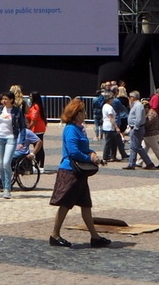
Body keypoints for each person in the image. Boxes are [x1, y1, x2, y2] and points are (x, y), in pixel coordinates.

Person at [48, 98, 110, 249]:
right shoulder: (70, 129)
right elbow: (73, 152)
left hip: (79, 173)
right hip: (70, 171)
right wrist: (89, 158)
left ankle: (95, 237)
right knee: (65, 204)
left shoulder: (78, 129)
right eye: (83, 112)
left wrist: (92, 153)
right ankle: (55, 235)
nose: (85, 114)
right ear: (77, 114)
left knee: (85, 204)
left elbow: (83, 148)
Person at [0, 91, 26, 198]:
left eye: (6, 99)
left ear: (11, 100)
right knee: (0, 164)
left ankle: (8, 188)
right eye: (3, 99)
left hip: (11, 138)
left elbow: (22, 127)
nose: (3, 101)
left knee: (6, 162)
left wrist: (21, 141)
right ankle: (4, 188)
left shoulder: (17, 111)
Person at [123, 91, 155, 171]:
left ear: (133, 97)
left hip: (137, 128)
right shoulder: (135, 105)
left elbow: (139, 118)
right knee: (133, 147)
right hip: (134, 128)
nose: (129, 98)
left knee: (137, 147)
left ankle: (149, 163)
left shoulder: (138, 106)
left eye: (130, 97)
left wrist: (136, 127)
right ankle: (131, 164)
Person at [101, 90, 125, 164]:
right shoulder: (109, 107)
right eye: (112, 98)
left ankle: (113, 156)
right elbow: (111, 118)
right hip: (109, 127)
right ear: (109, 99)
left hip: (106, 126)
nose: (113, 100)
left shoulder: (104, 106)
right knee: (108, 142)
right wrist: (116, 127)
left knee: (113, 142)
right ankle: (105, 156)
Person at [26, 91, 48, 172]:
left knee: (39, 148)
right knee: (38, 147)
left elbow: (34, 119)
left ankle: (40, 165)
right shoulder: (34, 106)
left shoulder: (35, 107)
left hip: (37, 129)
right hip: (38, 129)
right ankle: (38, 164)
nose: (30, 98)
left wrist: (28, 127)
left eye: (31, 96)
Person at [142, 100, 159, 167]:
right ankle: (139, 162)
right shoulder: (150, 112)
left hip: (151, 134)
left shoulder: (151, 114)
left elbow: (148, 123)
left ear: (147, 107)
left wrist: (141, 123)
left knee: (156, 149)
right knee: (144, 148)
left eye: (143, 108)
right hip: (150, 134)